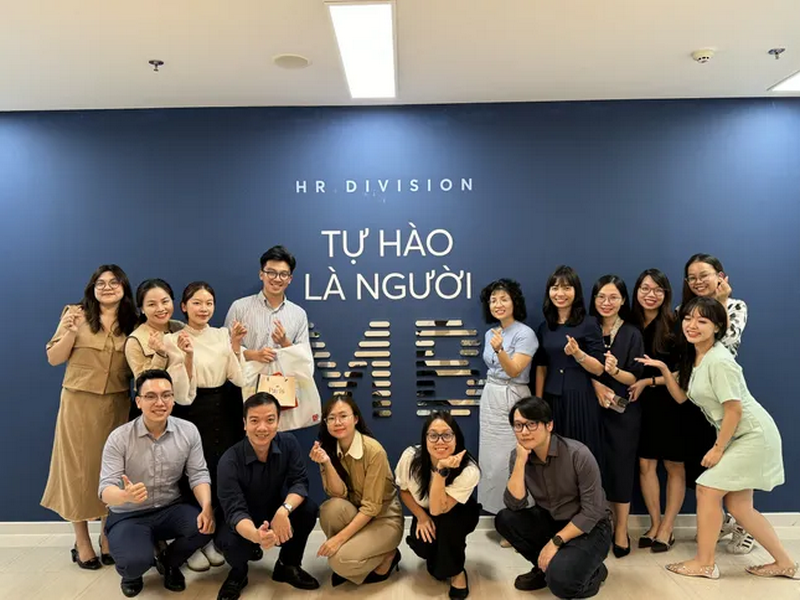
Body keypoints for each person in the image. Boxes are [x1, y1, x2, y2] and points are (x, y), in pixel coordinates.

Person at [638, 297, 796, 580]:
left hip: (752, 435)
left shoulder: (720, 360)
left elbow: (734, 409)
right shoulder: (698, 357)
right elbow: (682, 397)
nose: (692, 325)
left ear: (717, 327)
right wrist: (663, 370)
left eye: (702, 321)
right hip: (740, 435)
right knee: (739, 506)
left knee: (707, 488)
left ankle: (705, 562)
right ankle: (785, 563)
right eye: (688, 319)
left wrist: (718, 448)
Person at [42, 265, 138, 570]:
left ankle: (107, 537)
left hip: (116, 405)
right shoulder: (75, 314)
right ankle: (81, 541)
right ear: (92, 288)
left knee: (111, 470)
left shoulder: (132, 321)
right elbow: (54, 358)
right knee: (78, 472)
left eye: (114, 282)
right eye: (101, 283)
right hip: (78, 404)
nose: (107, 287)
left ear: (124, 287)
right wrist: (70, 332)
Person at [99, 370, 215, 597]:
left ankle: (168, 562)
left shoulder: (188, 431)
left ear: (173, 399)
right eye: (151, 396)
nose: (160, 403)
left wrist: (206, 506)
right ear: (139, 402)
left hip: (170, 507)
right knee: (134, 561)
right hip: (129, 514)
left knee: (205, 526)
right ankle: (132, 573)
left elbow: (198, 474)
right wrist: (125, 496)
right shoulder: (119, 438)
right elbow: (105, 489)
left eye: (166, 395)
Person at [495, 397, 611, 598]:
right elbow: (515, 504)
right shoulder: (519, 455)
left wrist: (555, 543)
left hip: (591, 528)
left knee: (563, 585)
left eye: (532, 424)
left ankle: (595, 572)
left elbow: (592, 512)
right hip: (552, 520)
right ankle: (545, 568)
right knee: (506, 519)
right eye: (518, 425)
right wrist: (520, 461)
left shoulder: (578, 454)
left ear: (549, 425)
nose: (524, 432)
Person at [168, 282, 248, 571]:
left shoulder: (222, 334)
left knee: (221, 469)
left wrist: (236, 345)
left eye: (209, 303)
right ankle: (194, 539)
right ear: (184, 306)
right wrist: (187, 355)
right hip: (190, 408)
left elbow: (238, 377)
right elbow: (180, 391)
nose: (204, 309)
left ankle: (215, 536)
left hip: (224, 407)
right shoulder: (172, 339)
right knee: (192, 470)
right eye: (197, 303)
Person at [681, 253, 753, 554]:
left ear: (720, 276)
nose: (698, 282)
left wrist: (722, 302)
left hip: (724, 393)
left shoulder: (735, 306)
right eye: (692, 277)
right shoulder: (684, 310)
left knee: (733, 460)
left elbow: (726, 343)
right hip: (698, 395)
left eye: (704, 275)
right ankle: (721, 519)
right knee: (704, 464)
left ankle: (746, 526)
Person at [215, 392, 320, 600]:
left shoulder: (289, 443)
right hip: (242, 519)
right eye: (254, 421)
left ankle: (287, 565)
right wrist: (257, 536)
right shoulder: (229, 460)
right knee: (229, 542)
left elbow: (299, 482)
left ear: (278, 422)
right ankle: (238, 573)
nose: (262, 428)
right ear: (244, 424)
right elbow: (235, 510)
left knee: (308, 509)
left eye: (270, 420)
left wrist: (284, 511)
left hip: (274, 510)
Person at [309, 396, 403, 586]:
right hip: (356, 514)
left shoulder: (374, 451)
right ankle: (354, 552)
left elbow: (371, 507)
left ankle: (389, 555)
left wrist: (337, 540)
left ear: (356, 419)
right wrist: (326, 463)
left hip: (384, 519)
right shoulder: (327, 449)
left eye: (343, 416)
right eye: (331, 418)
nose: (337, 422)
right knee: (330, 509)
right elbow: (338, 495)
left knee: (339, 561)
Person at [627, 269, 685, 553]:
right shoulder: (628, 323)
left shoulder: (676, 325)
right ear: (637, 291)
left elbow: (685, 372)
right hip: (639, 406)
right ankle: (654, 523)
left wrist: (649, 382)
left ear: (666, 294)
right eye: (645, 289)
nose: (651, 295)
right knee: (645, 465)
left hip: (671, 402)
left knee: (674, 466)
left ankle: (668, 528)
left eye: (658, 290)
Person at [396, 411, 481, 599]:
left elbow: (438, 509)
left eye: (447, 435)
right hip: (427, 512)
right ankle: (441, 559)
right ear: (425, 439)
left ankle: (457, 572)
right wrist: (421, 517)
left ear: (456, 438)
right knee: (423, 545)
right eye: (433, 435)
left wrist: (441, 470)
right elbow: (404, 491)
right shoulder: (410, 457)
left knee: (449, 526)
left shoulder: (469, 470)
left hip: (457, 513)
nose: (440, 441)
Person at [588, 275, 644, 558]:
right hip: (589, 409)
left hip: (623, 412)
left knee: (621, 470)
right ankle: (596, 527)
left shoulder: (632, 333)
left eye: (613, 297)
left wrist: (613, 372)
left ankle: (621, 529)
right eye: (601, 297)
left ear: (623, 300)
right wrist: (596, 383)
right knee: (591, 469)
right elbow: (576, 366)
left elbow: (634, 376)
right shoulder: (587, 328)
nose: (606, 302)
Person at [476, 279, 537, 519]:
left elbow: (513, 370)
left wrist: (500, 350)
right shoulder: (490, 333)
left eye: (504, 299)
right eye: (493, 300)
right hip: (491, 395)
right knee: (491, 459)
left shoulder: (526, 333)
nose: (498, 304)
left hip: (514, 396)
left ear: (514, 302)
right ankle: (498, 514)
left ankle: (518, 514)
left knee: (514, 455)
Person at [534, 266, 605, 461]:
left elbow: (599, 369)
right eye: (555, 288)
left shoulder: (589, 323)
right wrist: (539, 402)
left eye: (566, 288)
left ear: (576, 291)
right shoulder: (545, 327)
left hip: (581, 398)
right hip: (552, 398)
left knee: (582, 453)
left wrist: (578, 353)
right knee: (554, 454)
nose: (560, 294)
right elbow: (541, 367)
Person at [224, 245, 310, 365]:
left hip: (285, 376)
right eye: (271, 273)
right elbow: (225, 350)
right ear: (261, 274)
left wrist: (285, 342)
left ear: (290, 278)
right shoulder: (239, 307)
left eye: (283, 274)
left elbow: (304, 361)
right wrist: (255, 355)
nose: (277, 279)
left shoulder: (299, 314)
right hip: (246, 377)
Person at [124, 279, 191, 409]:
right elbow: (142, 383)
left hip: (187, 400)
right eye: (152, 304)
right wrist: (160, 354)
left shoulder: (180, 327)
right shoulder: (135, 340)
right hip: (156, 406)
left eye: (165, 301)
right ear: (142, 309)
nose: (160, 308)